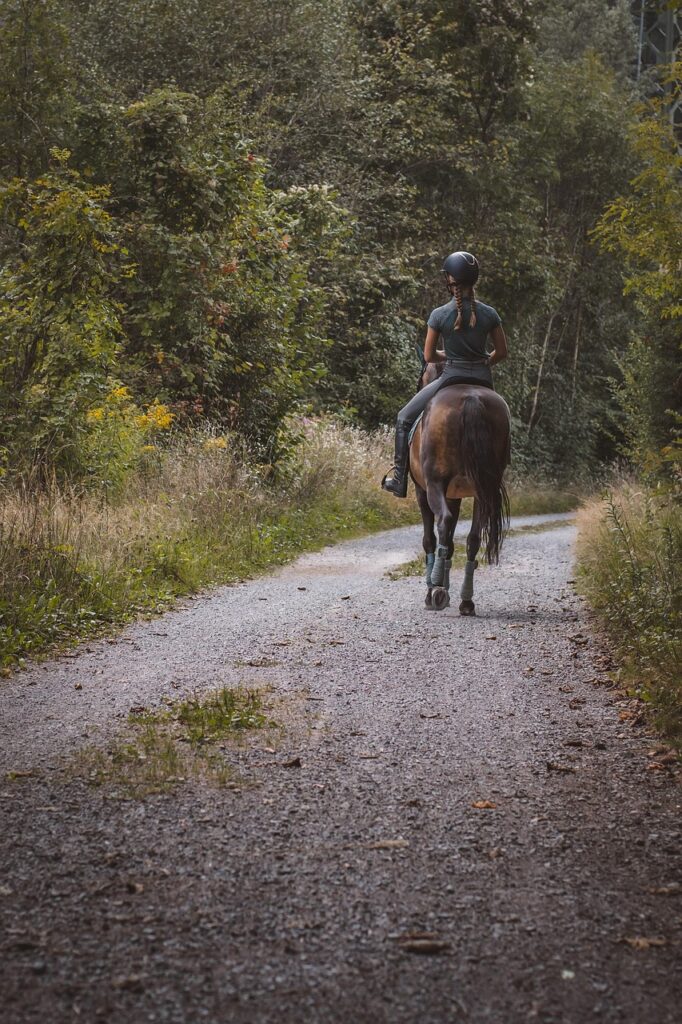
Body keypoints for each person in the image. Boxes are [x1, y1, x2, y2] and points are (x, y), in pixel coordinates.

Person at [381, 250, 508, 498]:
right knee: (503, 416)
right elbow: (502, 352)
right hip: (483, 378)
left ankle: (398, 480)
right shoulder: (490, 314)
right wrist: (482, 362)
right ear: (475, 279)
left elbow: (429, 356)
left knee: (404, 418)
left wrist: (450, 357)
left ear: (450, 280)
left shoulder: (439, 315)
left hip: (450, 378)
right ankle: (499, 470)